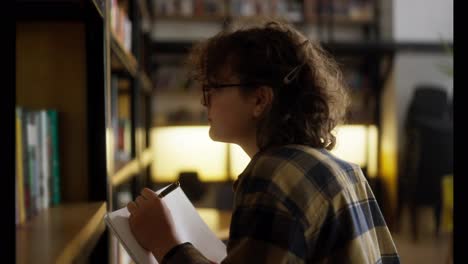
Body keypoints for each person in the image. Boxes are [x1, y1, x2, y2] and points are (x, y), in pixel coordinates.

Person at [126, 19, 400, 263]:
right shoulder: (346, 170)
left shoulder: (271, 174)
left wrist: (166, 244)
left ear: (259, 100)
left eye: (213, 89)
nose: (203, 101)